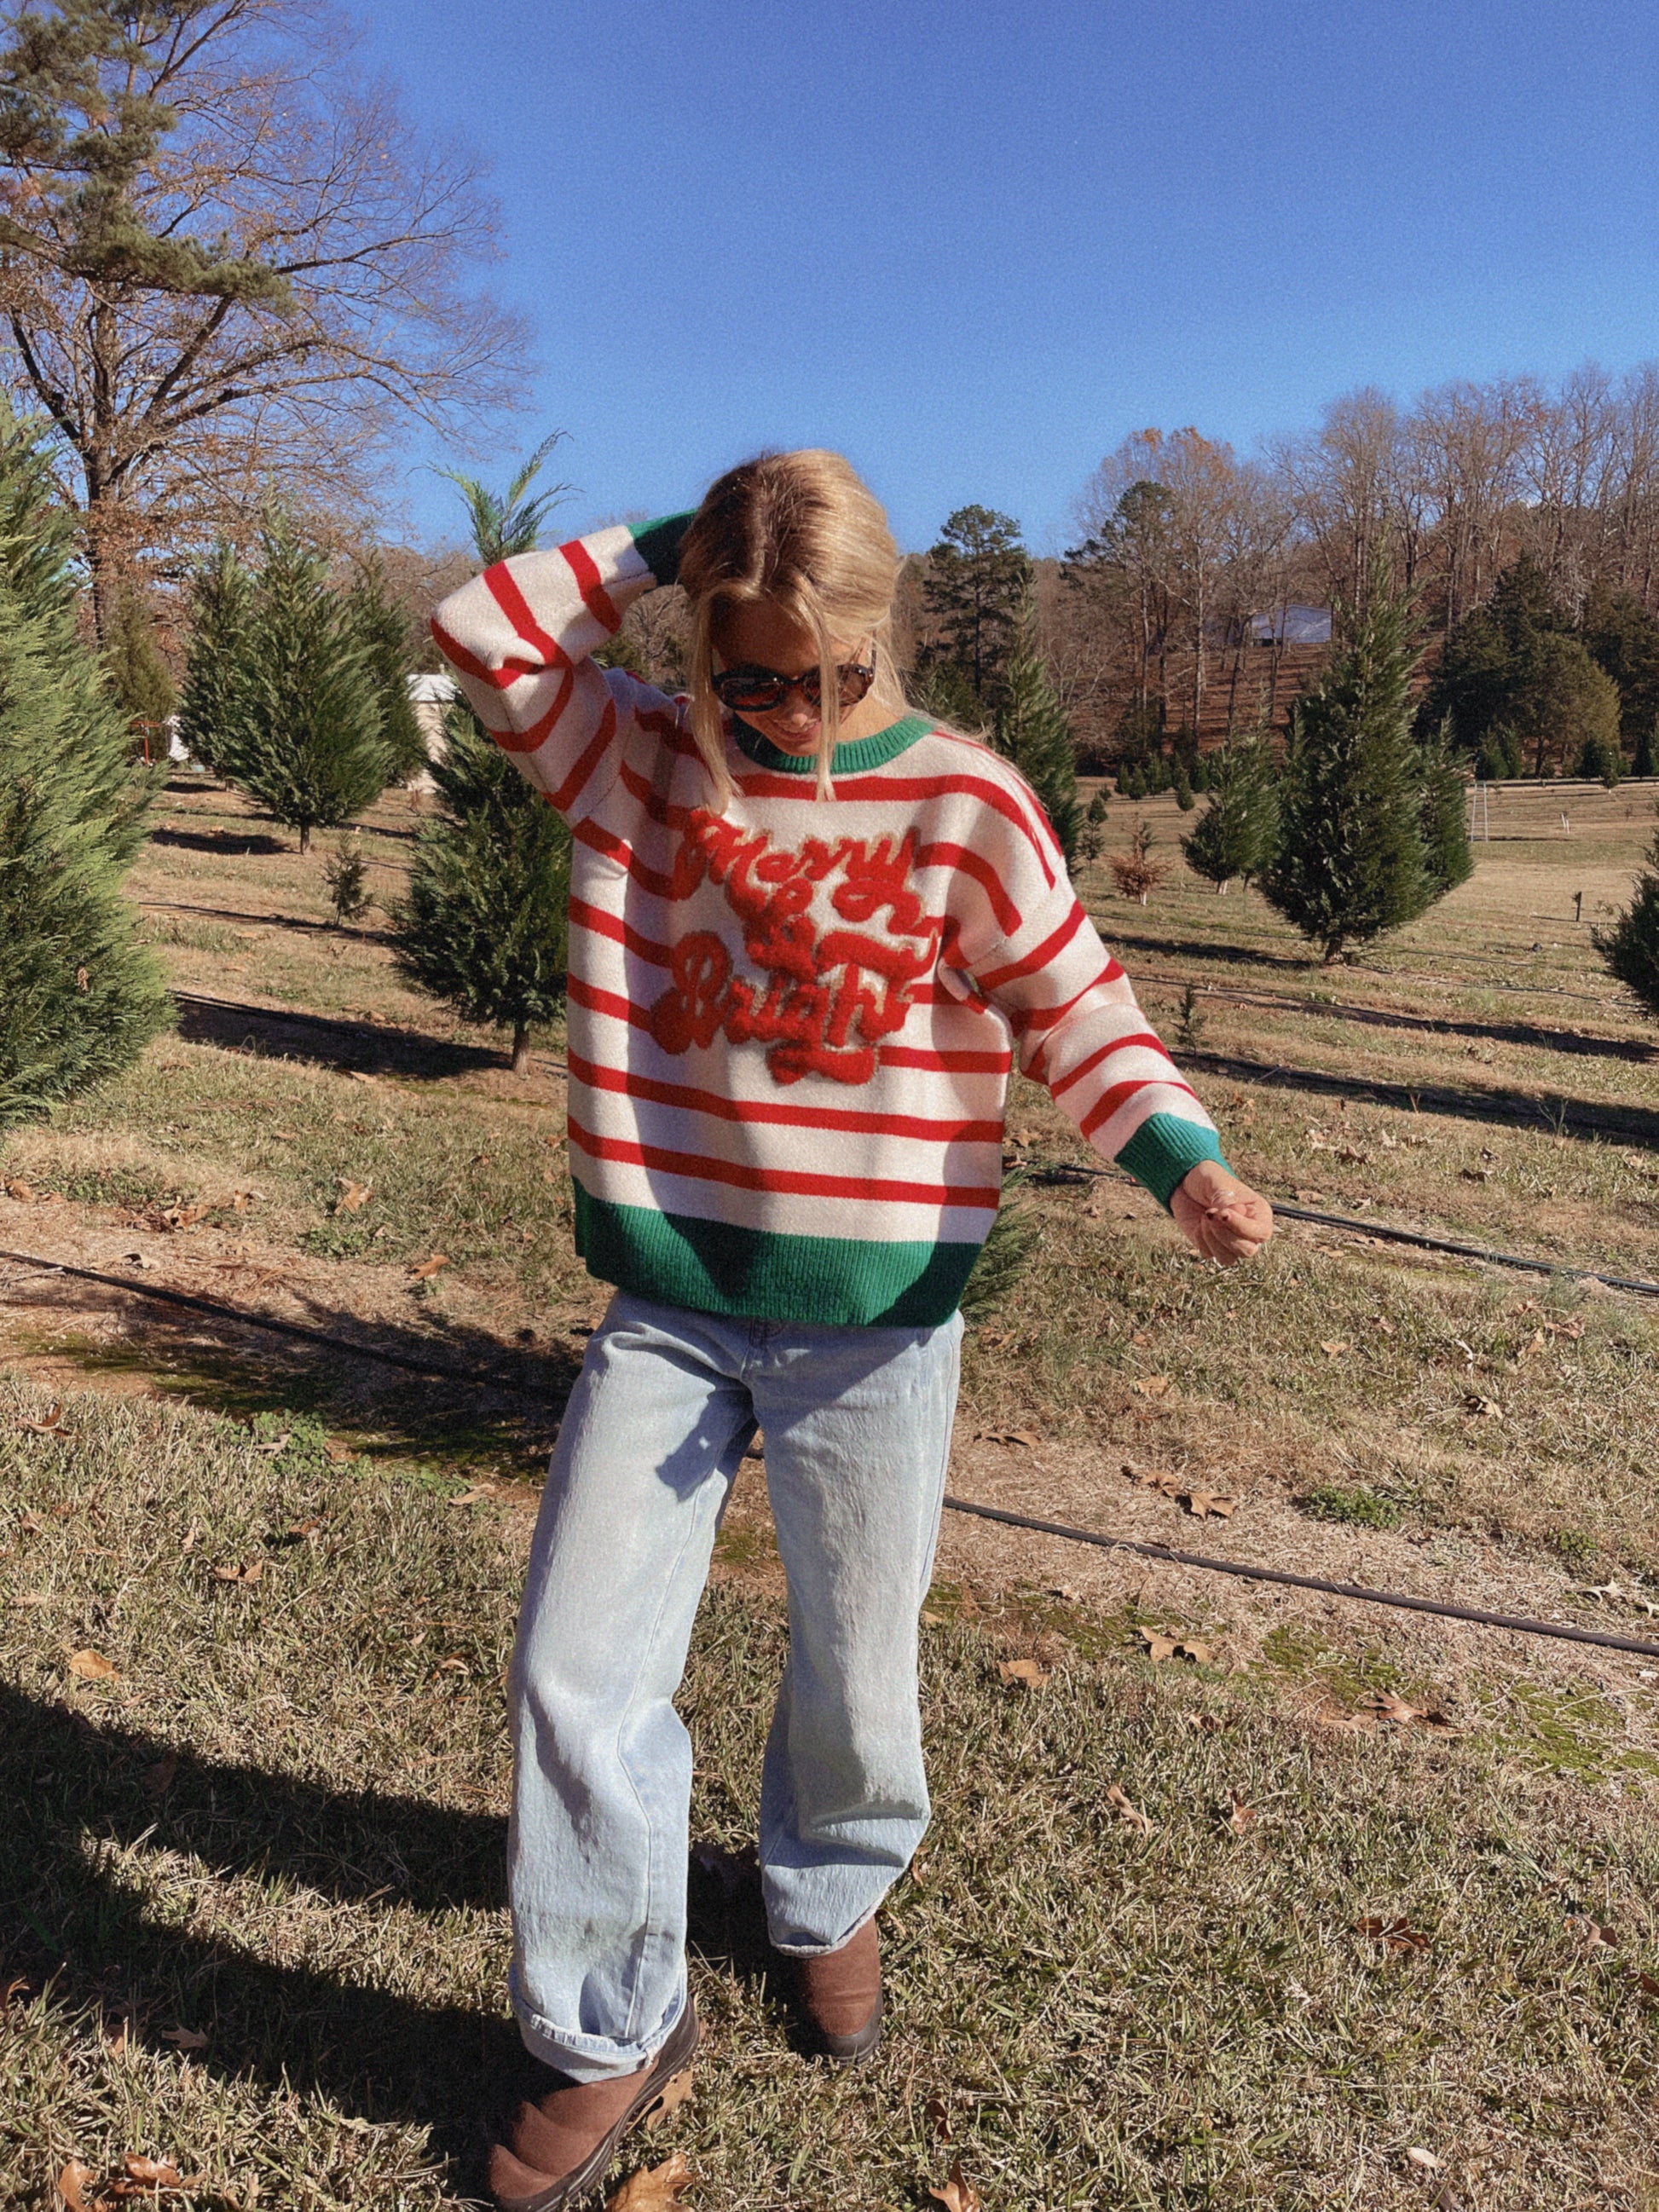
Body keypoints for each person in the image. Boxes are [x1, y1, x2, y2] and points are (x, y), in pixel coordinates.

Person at [430, 449, 1273, 2211]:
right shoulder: (644, 761)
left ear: (881, 639)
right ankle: (607, 2027)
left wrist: (1175, 1156)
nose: (783, 714)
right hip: (669, 1301)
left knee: (855, 1663)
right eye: (745, 671)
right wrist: (686, 538)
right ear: (696, 640)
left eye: (820, 679)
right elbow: (479, 630)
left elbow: (1074, 1002)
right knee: (574, 1662)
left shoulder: (964, 804)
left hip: (876, 1322)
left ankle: (826, 1888)